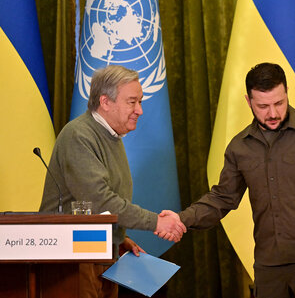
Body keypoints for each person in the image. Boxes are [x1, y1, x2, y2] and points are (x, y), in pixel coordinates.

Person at [159, 62, 295, 298]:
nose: (273, 113)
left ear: (286, 93)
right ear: (248, 101)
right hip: (268, 267)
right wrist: (181, 218)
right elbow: (221, 198)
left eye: (279, 103)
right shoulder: (239, 147)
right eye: (263, 106)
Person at [39, 65, 186, 298]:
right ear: (105, 102)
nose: (140, 110)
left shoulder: (111, 136)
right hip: (71, 259)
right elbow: (99, 201)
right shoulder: (79, 135)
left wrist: (118, 238)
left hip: (101, 254)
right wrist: (156, 222)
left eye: (140, 102)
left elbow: (98, 208)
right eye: (132, 102)